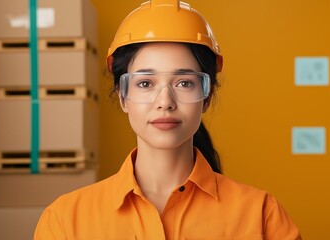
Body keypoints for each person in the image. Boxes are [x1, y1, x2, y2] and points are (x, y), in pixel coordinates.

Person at [34, 0, 302, 239]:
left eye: (185, 82)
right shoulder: (65, 221)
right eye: (145, 83)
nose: (165, 101)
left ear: (206, 96)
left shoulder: (262, 217)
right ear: (123, 97)